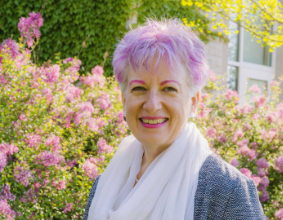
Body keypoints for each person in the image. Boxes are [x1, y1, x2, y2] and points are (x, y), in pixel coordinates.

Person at [83, 19, 265, 220]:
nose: (152, 104)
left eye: (169, 89)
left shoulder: (228, 191)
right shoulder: (105, 185)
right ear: (124, 100)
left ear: (194, 101)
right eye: (139, 89)